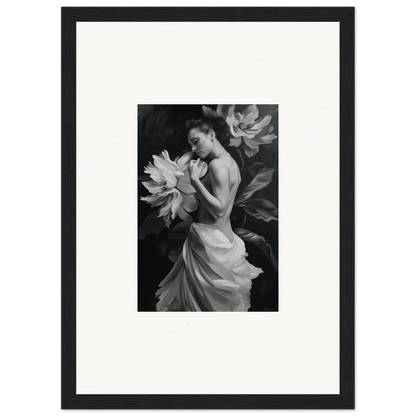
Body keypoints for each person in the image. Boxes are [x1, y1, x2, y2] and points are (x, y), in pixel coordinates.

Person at [155, 117, 263, 311]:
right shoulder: (230, 163)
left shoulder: (217, 166)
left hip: (210, 244)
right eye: (190, 144)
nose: (194, 148)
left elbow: (219, 209)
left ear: (211, 134)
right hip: (223, 240)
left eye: (196, 141)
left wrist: (195, 181)